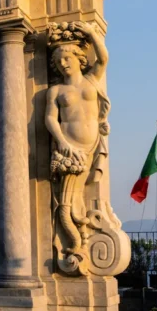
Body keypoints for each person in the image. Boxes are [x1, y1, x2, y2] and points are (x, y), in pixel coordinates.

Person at [45, 21, 110, 256]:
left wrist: (92, 33)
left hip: (90, 145)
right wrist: (62, 142)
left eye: (67, 59)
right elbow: (50, 119)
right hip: (69, 150)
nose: (63, 64)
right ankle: (76, 242)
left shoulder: (92, 79)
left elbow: (103, 59)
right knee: (67, 202)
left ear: (78, 59)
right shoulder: (56, 91)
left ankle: (79, 238)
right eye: (58, 61)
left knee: (77, 196)